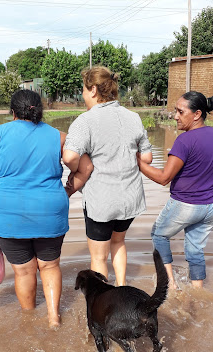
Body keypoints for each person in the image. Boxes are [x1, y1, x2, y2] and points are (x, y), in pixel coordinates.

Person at [0, 89, 69, 328]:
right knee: (50, 266)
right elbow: (85, 167)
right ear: (39, 110)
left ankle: (28, 321)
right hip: (50, 211)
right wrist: (67, 191)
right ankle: (54, 319)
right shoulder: (59, 136)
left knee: (24, 271)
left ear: (13, 112)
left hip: (7, 215)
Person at [137, 91, 213, 290]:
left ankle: (170, 284)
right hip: (210, 207)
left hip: (186, 204)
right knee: (195, 250)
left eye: (180, 111)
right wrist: (210, 164)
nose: (175, 116)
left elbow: (163, 178)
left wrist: (137, 163)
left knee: (159, 236)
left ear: (197, 114)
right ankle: (197, 290)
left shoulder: (184, 141)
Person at [62, 65, 152, 286]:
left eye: (83, 90)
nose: (83, 95)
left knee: (99, 257)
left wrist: (78, 170)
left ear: (93, 90)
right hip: (130, 199)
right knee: (118, 243)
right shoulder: (133, 117)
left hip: (102, 201)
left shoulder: (85, 121)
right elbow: (148, 158)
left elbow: (69, 156)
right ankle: (121, 288)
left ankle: (103, 302)